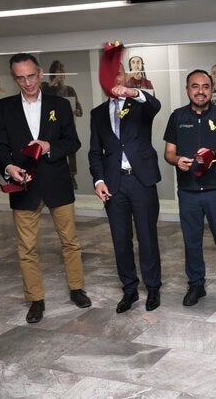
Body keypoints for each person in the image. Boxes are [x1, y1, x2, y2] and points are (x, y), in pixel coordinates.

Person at [0, 53, 91, 323]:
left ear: (41, 74)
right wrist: (9, 168)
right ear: (14, 79)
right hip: (23, 185)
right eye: (20, 78)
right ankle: (35, 299)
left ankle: (77, 288)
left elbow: (73, 142)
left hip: (57, 183)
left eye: (31, 76)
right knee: (26, 248)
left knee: (70, 241)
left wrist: (49, 147)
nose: (27, 83)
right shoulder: (3, 107)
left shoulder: (60, 105)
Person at [88, 64, 162, 313]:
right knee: (120, 239)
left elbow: (155, 105)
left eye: (117, 74)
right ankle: (129, 289)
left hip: (141, 181)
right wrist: (99, 181)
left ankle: (153, 287)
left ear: (124, 76)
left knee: (147, 237)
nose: (114, 79)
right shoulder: (97, 113)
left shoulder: (140, 106)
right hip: (113, 184)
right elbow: (95, 152)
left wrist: (133, 92)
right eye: (108, 76)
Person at [163, 69, 216, 305]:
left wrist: (212, 156)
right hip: (188, 191)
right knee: (192, 241)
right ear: (187, 89)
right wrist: (177, 160)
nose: (200, 91)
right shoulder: (177, 117)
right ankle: (196, 285)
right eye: (195, 86)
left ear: (212, 90)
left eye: (205, 87)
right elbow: (169, 153)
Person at [41, 60, 83, 190]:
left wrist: (76, 111)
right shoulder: (45, 87)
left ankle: (72, 175)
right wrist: (53, 83)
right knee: (52, 149)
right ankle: (55, 177)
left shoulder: (69, 90)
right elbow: (41, 100)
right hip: (51, 127)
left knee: (71, 149)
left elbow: (80, 110)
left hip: (67, 125)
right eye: (57, 72)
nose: (60, 74)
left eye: (62, 72)